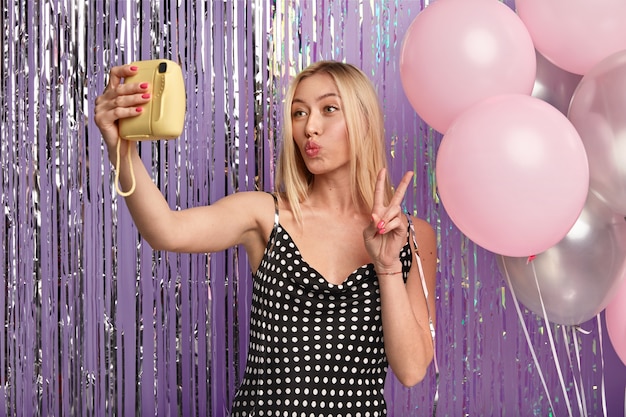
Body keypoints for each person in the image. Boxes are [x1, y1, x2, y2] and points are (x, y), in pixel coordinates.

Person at [95, 60, 437, 416]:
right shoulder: (265, 215)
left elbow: (412, 371)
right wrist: (120, 148)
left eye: (329, 109)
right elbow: (165, 231)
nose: (310, 128)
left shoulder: (411, 235)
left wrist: (386, 266)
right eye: (299, 113)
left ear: (364, 120)